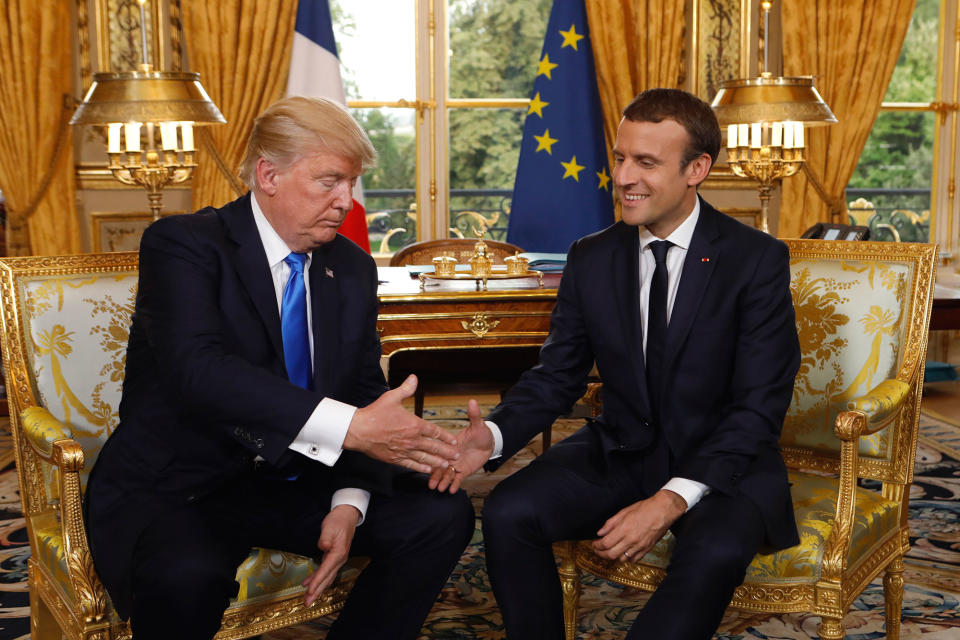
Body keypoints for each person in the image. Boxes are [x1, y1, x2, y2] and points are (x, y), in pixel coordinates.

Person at [85, 96, 475, 640]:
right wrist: (351, 429)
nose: (346, 201)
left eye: (352, 183)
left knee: (441, 518)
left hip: (294, 478)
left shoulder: (352, 267)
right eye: (329, 181)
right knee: (185, 578)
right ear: (269, 175)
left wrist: (348, 502)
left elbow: (362, 389)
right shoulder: (186, 245)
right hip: (187, 484)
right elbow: (200, 371)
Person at [431, 88, 802, 639]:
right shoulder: (591, 255)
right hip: (623, 447)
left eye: (646, 163)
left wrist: (670, 499)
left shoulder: (754, 260)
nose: (624, 177)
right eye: (621, 157)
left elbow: (757, 408)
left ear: (697, 168)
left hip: (724, 463)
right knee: (510, 511)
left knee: (715, 552)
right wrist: (497, 436)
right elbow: (558, 374)